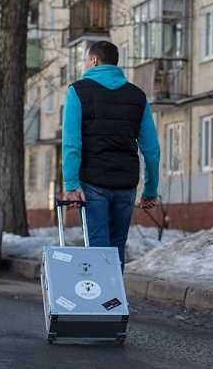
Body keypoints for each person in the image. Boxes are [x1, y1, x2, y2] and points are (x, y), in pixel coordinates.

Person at [61, 40, 160, 270]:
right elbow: (152, 150)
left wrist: (72, 183)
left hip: (92, 182)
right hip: (126, 183)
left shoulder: (78, 91)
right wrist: (150, 188)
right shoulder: (137, 96)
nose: (85, 65)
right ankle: (113, 302)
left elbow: (72, 143)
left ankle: (99, 302)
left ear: (94, 60)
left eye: (86, 60)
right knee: (117, 247)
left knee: (97, 246)